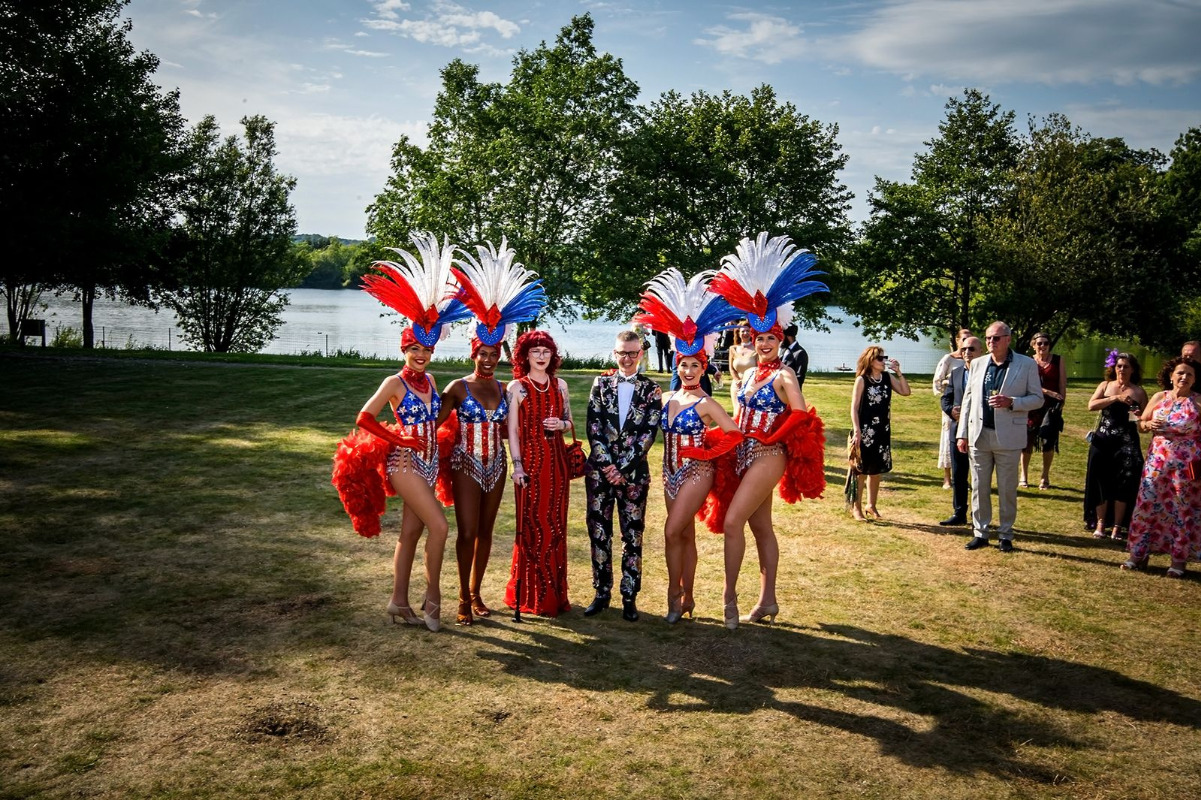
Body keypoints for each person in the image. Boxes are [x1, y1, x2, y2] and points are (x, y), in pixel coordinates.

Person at [331, 232, 473, 632]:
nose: (421, 356)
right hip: (404, 463)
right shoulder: (394, 382)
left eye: (426, 351)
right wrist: (400, 439)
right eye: (415, 350)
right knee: (440, 527)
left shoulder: (432, 382)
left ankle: (397, 601)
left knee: (411, 532)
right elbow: (364, 417)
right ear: (404, 349)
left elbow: (437, 417)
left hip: (428, 463)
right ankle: (433, 599)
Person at [706, 232, 827, 629]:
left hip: (769, 455)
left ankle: (729, 599)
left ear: (781, 339)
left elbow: (800, 413)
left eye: (771, 338)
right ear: (753, 340)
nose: (764, 344)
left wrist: (772, 438)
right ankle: (768, 600)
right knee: (761, 527)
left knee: (732, 522)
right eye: (759, 339)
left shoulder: (784, 374)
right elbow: (737, 413)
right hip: (742, 452)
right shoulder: (747, 373)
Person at [437, 237, 545, 625]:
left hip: (497, 466)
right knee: (466, 532)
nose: (487, 359)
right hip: (465, 465)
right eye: (482, 353)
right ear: (473, 353)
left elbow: (510, 430)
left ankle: (477, 593)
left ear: (500, 354)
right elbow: (434, 424)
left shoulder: (505, 389)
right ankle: (462, 598)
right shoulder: (457, 388)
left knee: (486, 532)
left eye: (493, 353)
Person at [635, 267, 742, 623]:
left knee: (670, 531)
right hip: (668, 473)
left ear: (703, 367)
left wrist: (706, 452)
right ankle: (689, 598)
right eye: (684, 365)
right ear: (677, 366)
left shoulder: (707, 404)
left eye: (695, 365)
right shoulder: (665, 398)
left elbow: (734, 434)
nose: (689, 371)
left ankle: (673, 596)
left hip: (697, 472)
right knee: (683, 535)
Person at [583, 330, 663, 621]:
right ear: (614, 353)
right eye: (621, 353)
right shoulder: (600, 384)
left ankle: (629, 596)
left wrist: (622, 469)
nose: (627, 359)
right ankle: (601, 592)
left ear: (640, 354)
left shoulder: (652, 389)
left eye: (632, 353)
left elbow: (648, 434)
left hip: (634, 475)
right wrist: (608, 467)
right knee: (599, 533)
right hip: (599, 474)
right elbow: (593, 426)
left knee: (633, 536)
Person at [956, 321, 1045, 553]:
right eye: (988, 338)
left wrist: (1012, 402)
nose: (991, 342)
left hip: (1009, 436)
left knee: (1007, 489)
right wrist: (962, 434)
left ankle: (1006, 534)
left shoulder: (1026, 364)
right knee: (979, 487)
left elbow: (1038, 399)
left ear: (1008, 339)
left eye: (996, 338)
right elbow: (968, 400)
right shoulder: (977, 363)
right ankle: (980, 532)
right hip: (979, 435)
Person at [505, 331, 574, 616]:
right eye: (535, 351)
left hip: (557, 465)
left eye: (546, 351)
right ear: (525, 356)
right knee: (533, 527)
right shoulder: (517, 388)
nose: (541, 356)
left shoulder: (561, 385)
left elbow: (570, 422)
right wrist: (517, 465)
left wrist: (561, 425)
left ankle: (555, 595)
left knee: (556, 526)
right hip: (530, 466)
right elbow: (512, 431)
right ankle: (532, 596)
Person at [1121, 357, 1201, 577]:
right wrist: (1148, 424)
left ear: (1195, 380)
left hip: (1186, 466)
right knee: (1147, 505)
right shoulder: (1159, 397)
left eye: (1189, 374)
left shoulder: (1198, 402)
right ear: (1171, 376)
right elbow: (1140, 423)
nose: (1184, 377)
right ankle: (1137, 555)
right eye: (1180, 373)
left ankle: (1178, 561)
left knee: (1181, 509)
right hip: (1156, 462)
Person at [1083, 353, 1147, 541]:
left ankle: (1118, 526)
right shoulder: (1105, 386)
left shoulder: (1139, 392)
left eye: (1126, 366)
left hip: (1127, 445)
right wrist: (1116, 398)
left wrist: (1138, 416)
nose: (1122, 369)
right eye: (1119, 366)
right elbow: (1091, 405)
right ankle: (1101, 522)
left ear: (1133, 369)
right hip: (1102, 441)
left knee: (1124, 483)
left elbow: (1142, 423)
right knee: (1099, 481)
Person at [849, 345, 912, 520]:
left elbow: (905, 392)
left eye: (884, 358)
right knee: (861, 470)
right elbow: (854, 408)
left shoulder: (887, 377)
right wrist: (857, 430)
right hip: (865, 431)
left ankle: (871, 505)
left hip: (882, 430)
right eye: (880, 358)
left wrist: (898, 373)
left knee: (876, 470)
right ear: (870, 360)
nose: (883, 361)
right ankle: (856, 508)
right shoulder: (862, 380)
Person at [939, 336, 982, 526]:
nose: (967, 353)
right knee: (958, 474)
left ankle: (978, 516)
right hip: (957, 431)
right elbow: (945, 399)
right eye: (964, 349)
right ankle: (959, 513)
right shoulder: (956, 373)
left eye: (971, 349)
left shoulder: (986, 373)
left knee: (979, 476)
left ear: (980, 352)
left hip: (980, 431)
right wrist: (951, 410)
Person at [1021, 332, 1067, 489]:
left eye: (1046, 343)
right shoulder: (1028, 362)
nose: (1043, 346)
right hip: (1032, 405)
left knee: (1049, 441)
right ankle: (1024, 476)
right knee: (1027, 441)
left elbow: (1062, 384)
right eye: (1039, 343)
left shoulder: (1058, 360)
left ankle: (1045, 476)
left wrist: (1061, 402)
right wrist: (1048, 392)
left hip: (1051, 408)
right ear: (1033, 345)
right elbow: (1026, 385)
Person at [933, 328, 972, 489]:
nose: (966, 344)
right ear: (957, 341)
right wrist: (950, 383)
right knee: (949, 440)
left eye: (969, 340)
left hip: (969, 406)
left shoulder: (975, 359)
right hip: (953, 406)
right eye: (963, 339)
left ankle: (964, 478)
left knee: (968, 440)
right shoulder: (948, 359)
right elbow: (937, 381)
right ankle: (947, 478)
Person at [726, 320, 757, 399]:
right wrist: (737, 380)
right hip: (737, 386)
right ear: (738, 333)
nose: (745, 333)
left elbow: (758, 368)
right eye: (743, 331)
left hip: (752, 386)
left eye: (748, 331)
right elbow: (731, 369)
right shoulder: (733, 349)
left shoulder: (756, 348)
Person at [781, 324, 809, 390]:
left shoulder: (800, 353)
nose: (780, 339)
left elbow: (799, 378)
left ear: (788, 336)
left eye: (782, 336)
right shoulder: (783, 350)